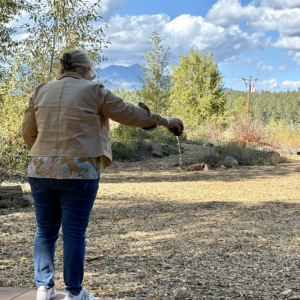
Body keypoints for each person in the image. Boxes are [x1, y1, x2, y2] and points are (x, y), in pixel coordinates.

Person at [21, 49, 183, 300]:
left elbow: (28, 132)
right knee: (74, 233)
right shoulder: (93, 90)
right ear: (85, 69)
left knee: (44, 230)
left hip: (40, 168)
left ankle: (44, 288)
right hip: (79, 170)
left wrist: (45, 156)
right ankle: (73, 293)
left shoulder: (41, 90)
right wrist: (164, 121)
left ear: (63, 69)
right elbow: (129, 113)